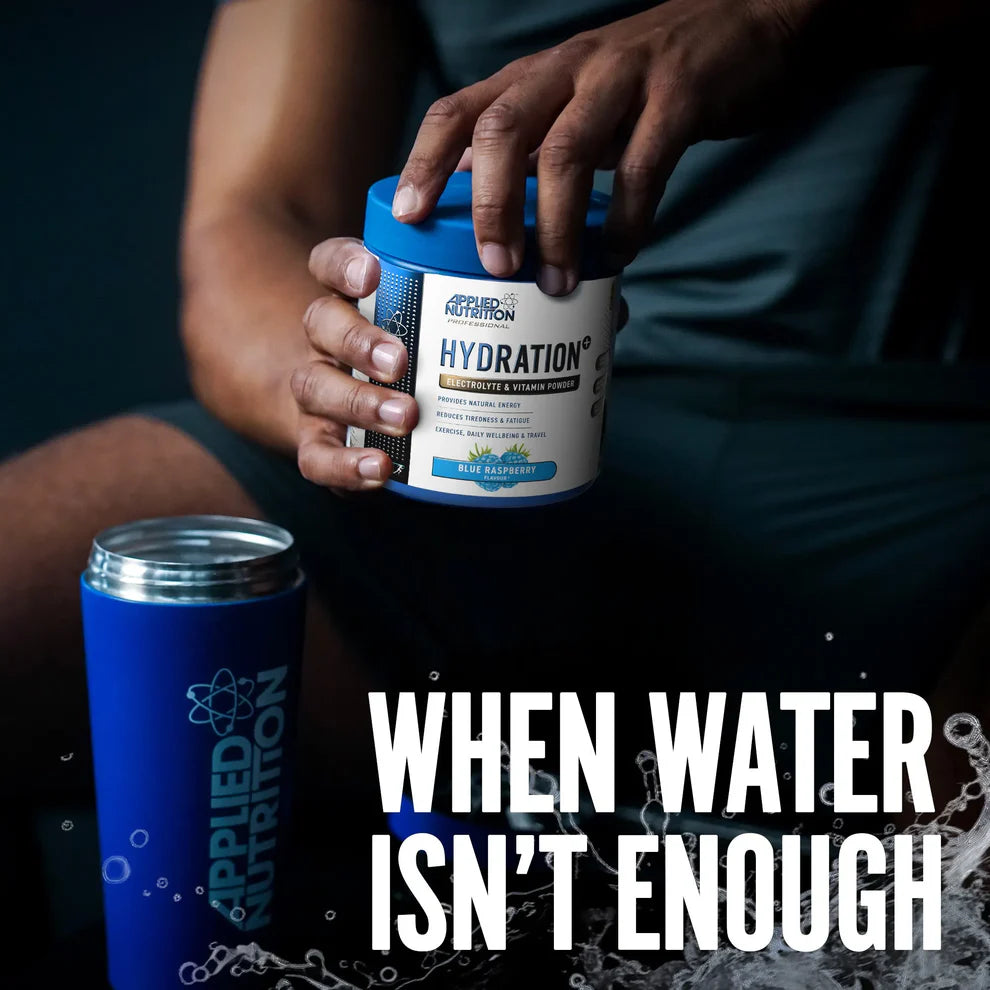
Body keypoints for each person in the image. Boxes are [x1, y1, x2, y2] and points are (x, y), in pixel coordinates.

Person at [3, 0, 987, 829]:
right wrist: (349, 381)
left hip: (932, 456)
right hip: (480, 445)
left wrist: (785, 18)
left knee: (924, 920)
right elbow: (253, 217)